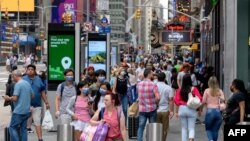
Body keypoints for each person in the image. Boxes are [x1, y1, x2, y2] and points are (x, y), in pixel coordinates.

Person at [3, 70, 34, 141]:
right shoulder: (27, 83)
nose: (12, 79)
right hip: (27, 111)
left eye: (12, 77)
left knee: (12, 127)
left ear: (15, 76)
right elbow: (32, 96)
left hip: (19, 111)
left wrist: (8, 98)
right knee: (23, 129)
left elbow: (15, 98)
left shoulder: (18, 84)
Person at [23, 64, 50, 141]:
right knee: (23, 124)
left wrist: (46, 102)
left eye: (32, 69)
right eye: (29, 69)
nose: (30, 71)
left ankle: (40, 138)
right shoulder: (23, 79)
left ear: (35, 71)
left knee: (37, 123)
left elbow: (42, 92)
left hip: (37, 105)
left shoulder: (38, 79)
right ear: (26, 70)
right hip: (25, 106)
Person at [174, 74, 202, 141]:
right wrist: (199, 109)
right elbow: (200, 99)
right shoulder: (194, 89)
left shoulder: (179, 90)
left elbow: (176, 101)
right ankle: (191, 139)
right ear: (190, 80)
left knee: (184, 128)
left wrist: (176, 112)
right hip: (192, 109)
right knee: (191, 128)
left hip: (182, 109)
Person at [137, 68, 160, 141]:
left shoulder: (139, 84)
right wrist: (156, 103)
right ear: (149, 74)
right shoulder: (153, 85)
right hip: (152, 109)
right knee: (152, 127)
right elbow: (158, 97)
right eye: (151, 73)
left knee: (141, 127)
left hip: (142, 109)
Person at [202, 76, 224, 141]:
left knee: (208, 129)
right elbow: (223, 100)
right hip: (218, 112)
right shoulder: (219, 91)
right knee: (215, 130)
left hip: (209, 111)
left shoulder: (206, 91)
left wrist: (200, 109)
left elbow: (203, 101)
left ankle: (211, 140)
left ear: (209, 82)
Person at [156, 72, 174, 141]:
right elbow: (171, 100)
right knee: (164, 129)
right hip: (165, 110)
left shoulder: (154, 86)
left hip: (156, 110)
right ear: (164, 79)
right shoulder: (168, 88)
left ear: (157, 78)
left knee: (156, 128)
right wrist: (171, 111)